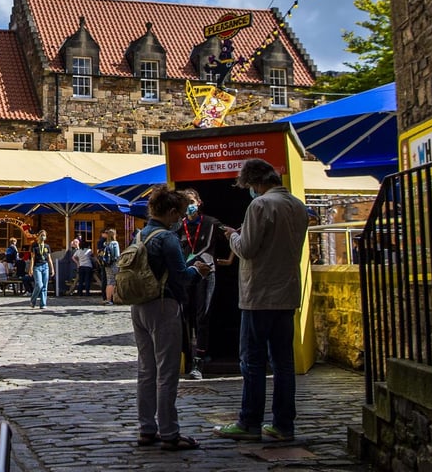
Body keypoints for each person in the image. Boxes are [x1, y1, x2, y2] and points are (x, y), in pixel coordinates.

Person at [214, 159, 310, 443]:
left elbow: (248, 248)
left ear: (254, 183)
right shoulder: (297, 206)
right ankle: (283, 424)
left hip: (259, 294)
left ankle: (249, 421)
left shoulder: (260, 206)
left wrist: (233, 236)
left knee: (252, 361)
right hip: (287, 292)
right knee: (283, 363)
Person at [132, 187, 210, 452]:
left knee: (146, 370)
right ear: (173, 211)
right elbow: (180, 276)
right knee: (167, 372)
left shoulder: (139, 235)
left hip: (139, 306)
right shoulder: (167, 238)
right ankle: (169, 432)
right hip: (164, 305)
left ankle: (146, 428)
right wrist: (198, 270)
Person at [176, 189, 234, 379]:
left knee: (203, 316)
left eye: (191, 201)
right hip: (185, 274)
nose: (189, 206)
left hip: (206, 274)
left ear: (199, 202)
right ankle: (186, 357)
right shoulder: (179, 226)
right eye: (185, 203)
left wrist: (230, 259)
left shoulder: (210, 222)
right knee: (185, 317)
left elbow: (233, 235)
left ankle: (199, 363)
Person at [28, 230, 54, 309]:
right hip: (37, 267)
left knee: (44, 286)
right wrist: (31, 268)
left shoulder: (47, 246)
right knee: (39, 285)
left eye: (44, 235)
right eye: (42, 235)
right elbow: (32, 258)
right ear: (38, 236)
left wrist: (52, 269)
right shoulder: (34, 245)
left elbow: (49, 258)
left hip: (45, 266)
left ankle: (43, 304)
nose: (43, 237)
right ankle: (33, 300)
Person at [99, 228, 121, 305]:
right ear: (114, 235)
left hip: (107, 264)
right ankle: (115, 298)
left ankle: (108, 299)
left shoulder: (106, 243)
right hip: (114, 264)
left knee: (109, 282)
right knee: (115, 281)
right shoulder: (115, 243)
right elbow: (117, 255)